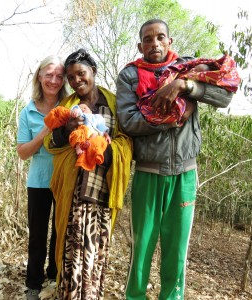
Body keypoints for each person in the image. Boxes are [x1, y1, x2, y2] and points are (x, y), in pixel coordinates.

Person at [116, 19, 240, 300]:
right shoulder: (130, 77)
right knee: (142, 248)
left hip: (185, 173)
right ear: (140, 46)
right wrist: (169, 119)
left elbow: (224, 97)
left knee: (176, 249)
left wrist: (185, 87)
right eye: (148, 39)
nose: (155, 43)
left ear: (169, 42)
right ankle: (134, 297)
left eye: (160, 37)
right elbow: (127, 121)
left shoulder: (187, 68)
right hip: (149, 172)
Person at [43, 48, 132, 300]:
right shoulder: (67, 106)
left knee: (95, 253)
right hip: (73, 191)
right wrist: (67, 130)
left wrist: (103, 148)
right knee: (70, 254)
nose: (76, 81)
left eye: (81, 74)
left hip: (102, 190)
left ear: (93, 71)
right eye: (70, 77)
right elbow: (52, 142)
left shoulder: (113, 103)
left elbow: (126, 141)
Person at [17, 55, 70, 300]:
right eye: (49, 74)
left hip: (64, 180)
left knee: (60, 233)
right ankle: (33, 282)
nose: (54, 80)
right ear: (39, 76)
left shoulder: (70, 105)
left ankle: (54, 275)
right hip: (38, 182)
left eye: (59, 75)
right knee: (38, 234)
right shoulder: (28, 112)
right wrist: (45, 130)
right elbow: (23, 153)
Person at [44, 103, 111, 170]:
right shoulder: (72, 107)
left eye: (85, 107)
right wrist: (68, 128)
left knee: (98, 139)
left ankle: (94, 152)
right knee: (76, 135)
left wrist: (106, 135)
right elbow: (52, 141)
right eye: (81, 108)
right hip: (82, 131)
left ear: (91, 111)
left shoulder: (97, 116)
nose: (83, 109)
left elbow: (102, 127)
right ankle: (78, 146)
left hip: (93, 133)